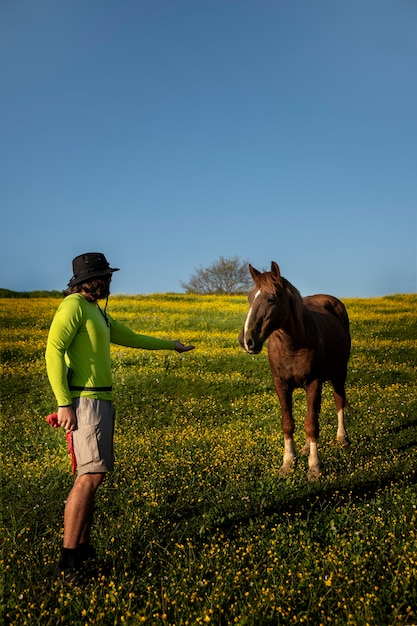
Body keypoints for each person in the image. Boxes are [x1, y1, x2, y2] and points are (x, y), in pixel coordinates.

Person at [45, 252, 194, 586]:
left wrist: (172, 345)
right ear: (94, 279)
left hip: (99, 400)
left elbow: (131, 338)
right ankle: (68, 564)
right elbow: (53, 350)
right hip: (86, 401)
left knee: (93, 476)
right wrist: (63, 403)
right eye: (107, 276)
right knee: (89, 477)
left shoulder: (95, 312)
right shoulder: (73, 307)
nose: (111, 281)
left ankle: (82, 554)